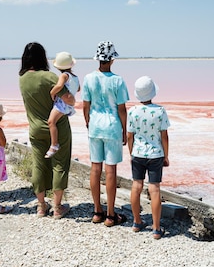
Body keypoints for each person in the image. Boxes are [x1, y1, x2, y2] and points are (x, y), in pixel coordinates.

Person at [19, 42, 75, 219]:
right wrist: (73, 99)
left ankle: (41, 206)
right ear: (42, 57)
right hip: (57, 128)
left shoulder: (22, 79)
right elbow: (68, 99)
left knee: (39, 165)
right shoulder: (49, 77)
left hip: (35, 128)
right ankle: (58, 208)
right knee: (60, 164)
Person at [82, 40, 129, 227]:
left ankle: (96, 211)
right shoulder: (117, 80)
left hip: (95, 126)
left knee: (95, 169)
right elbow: (122, 109)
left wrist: (88, 121)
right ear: (112, 60)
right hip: (112, 127)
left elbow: (85, 105)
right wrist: (125, 129)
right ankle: (110, 214)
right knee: (110, 170)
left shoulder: (88, 78)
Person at [127, 76, 170, 240]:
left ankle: (137, 222)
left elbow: (130, 135)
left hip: (137, 153)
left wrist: (131, 152)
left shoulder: (132, 111)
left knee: (136, 185)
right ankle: (156, 228)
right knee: (155, 189)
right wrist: (166, 155)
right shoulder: (160, 111)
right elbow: (164, 136)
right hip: (155, 154)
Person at [45, 51, 80, 159]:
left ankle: (54, 144)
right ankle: (54, 144)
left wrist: (52, 92)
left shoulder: (64, 75)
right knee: (54, 122)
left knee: (51, 122)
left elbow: (59, 86)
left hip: (62, 104)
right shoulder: (75, 76)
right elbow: (78, 89)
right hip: (68, 105)